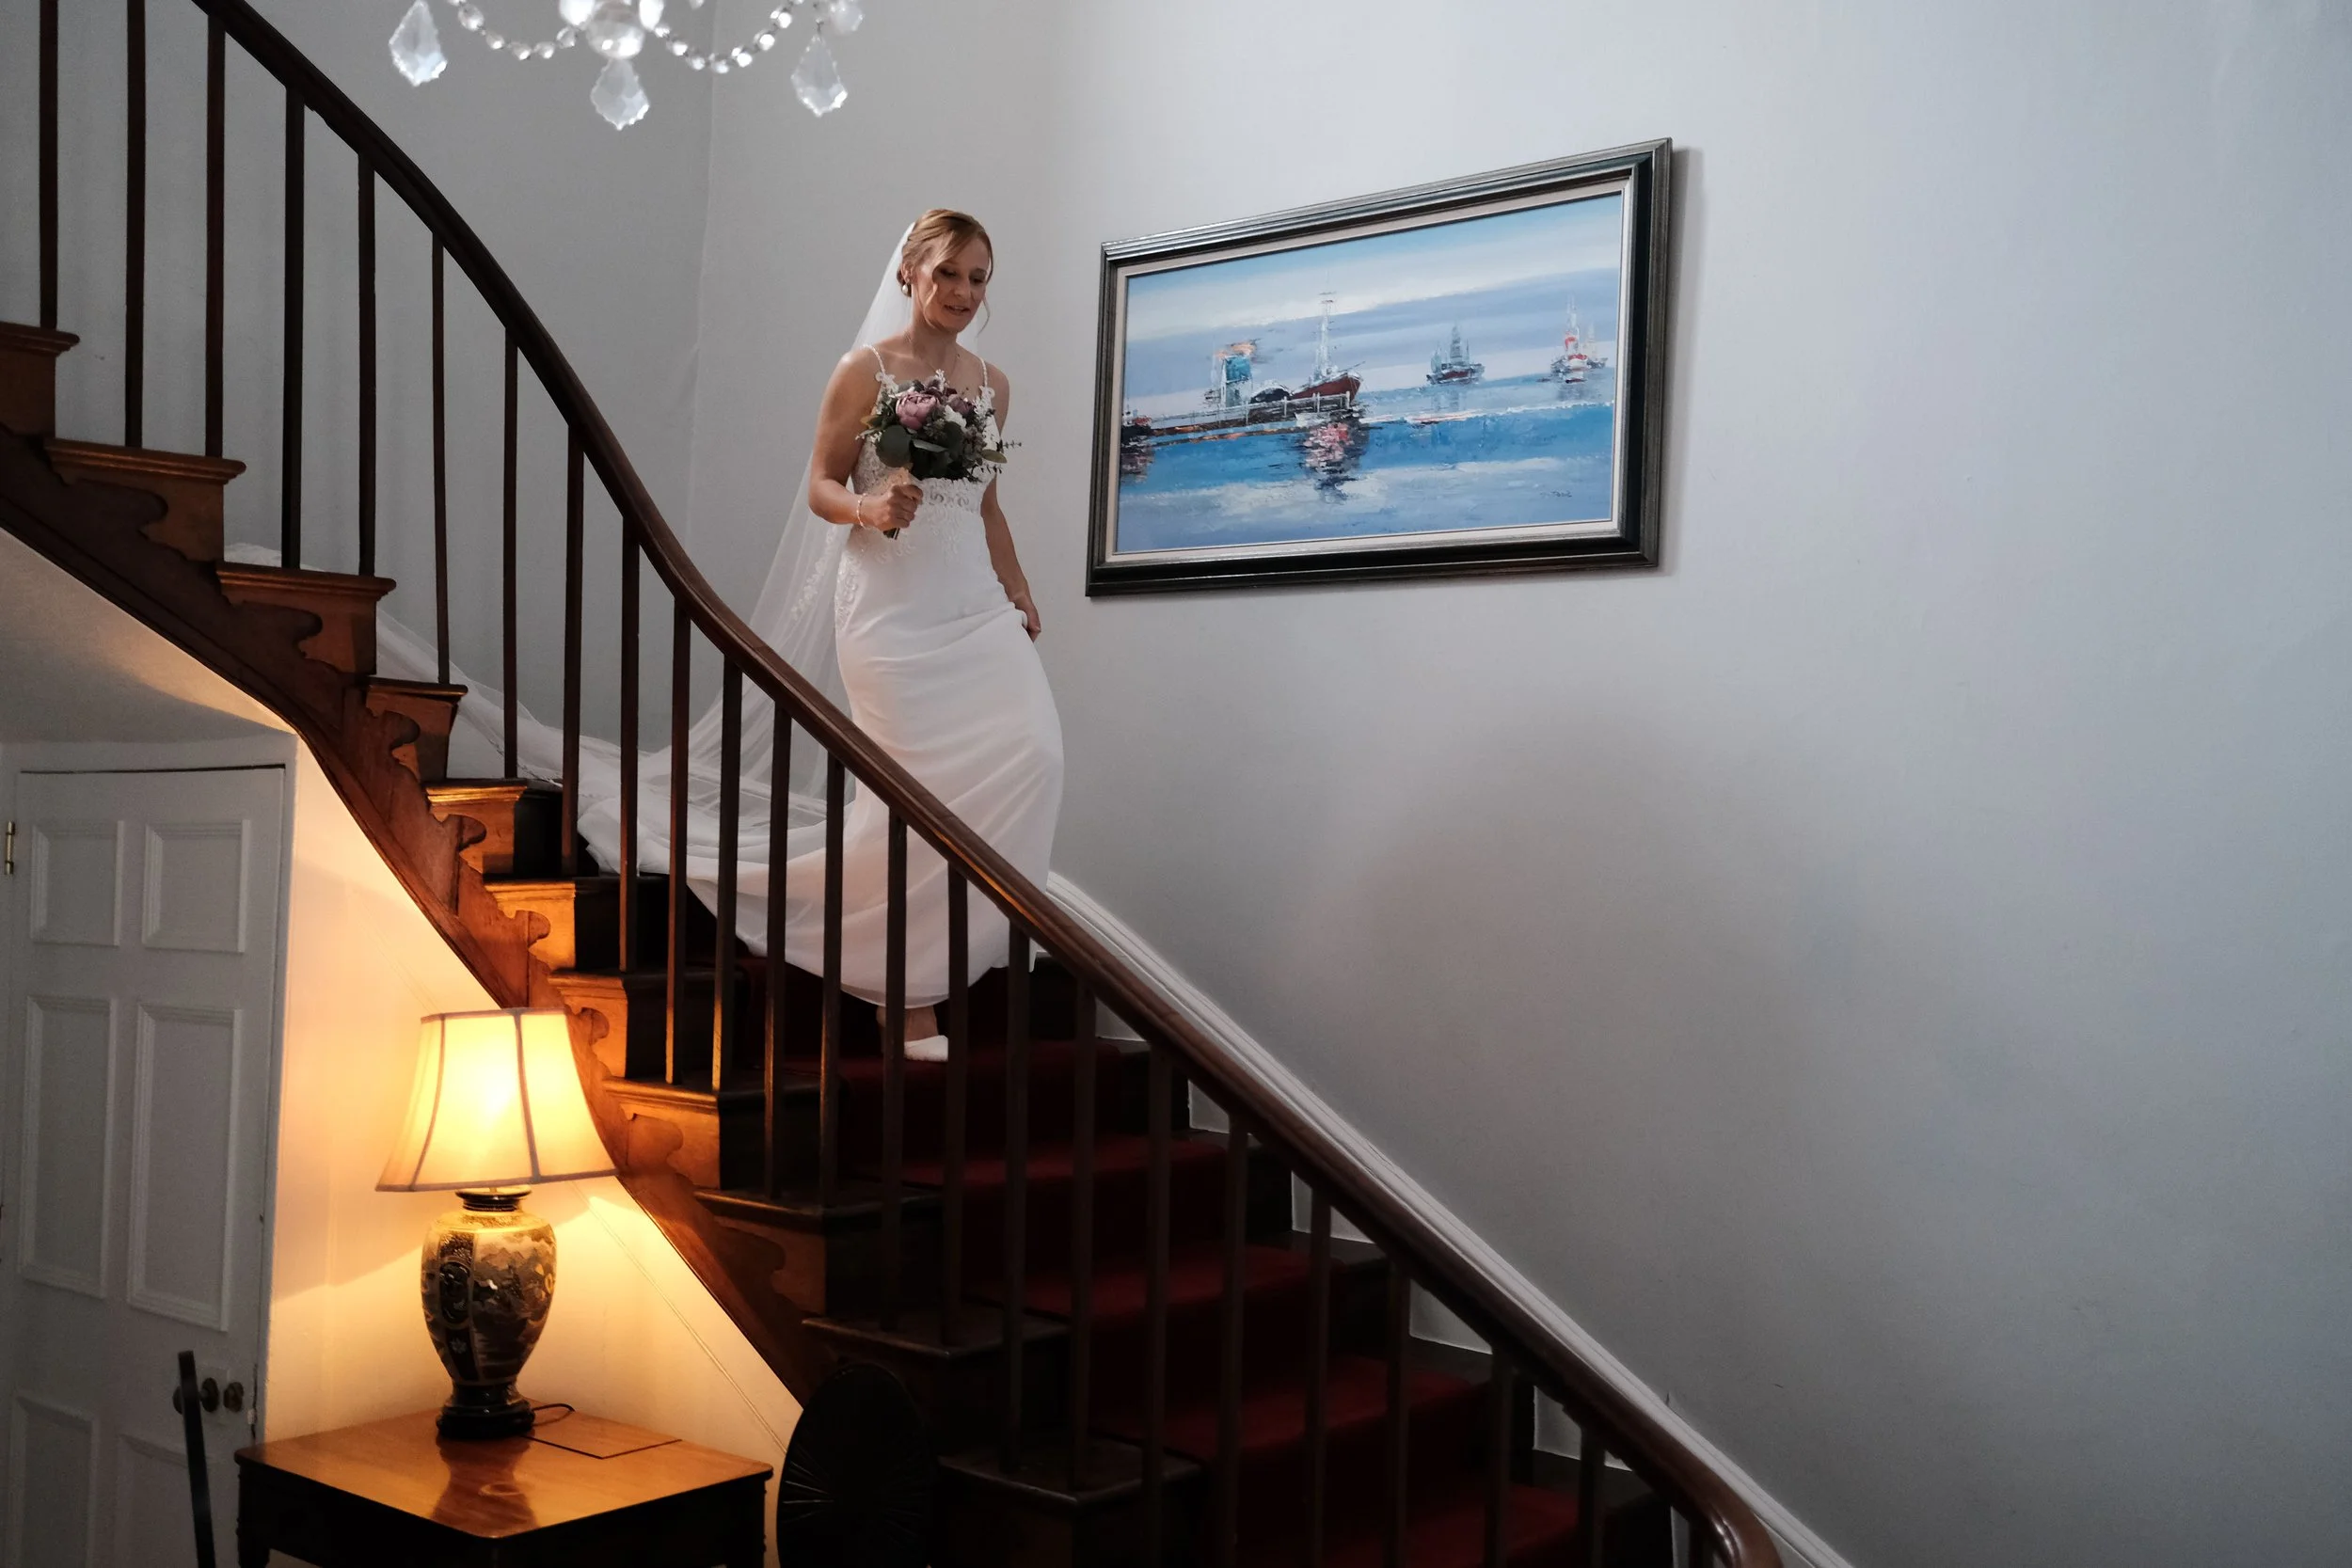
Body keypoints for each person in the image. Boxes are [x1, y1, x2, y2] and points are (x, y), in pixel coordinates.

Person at [778, 211, 1061, 1056]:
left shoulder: (992, 383)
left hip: (970, 600)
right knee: (909, 798)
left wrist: (1017, 587)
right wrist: (869, 505)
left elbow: (987, 506)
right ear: (910, 272)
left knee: (1036, 754)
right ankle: (904, 991)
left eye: (979, 279)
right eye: (948, 275)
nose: (964, 295)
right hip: (889, 608)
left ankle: (962, 943)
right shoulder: (862, 371)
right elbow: (821, 485)